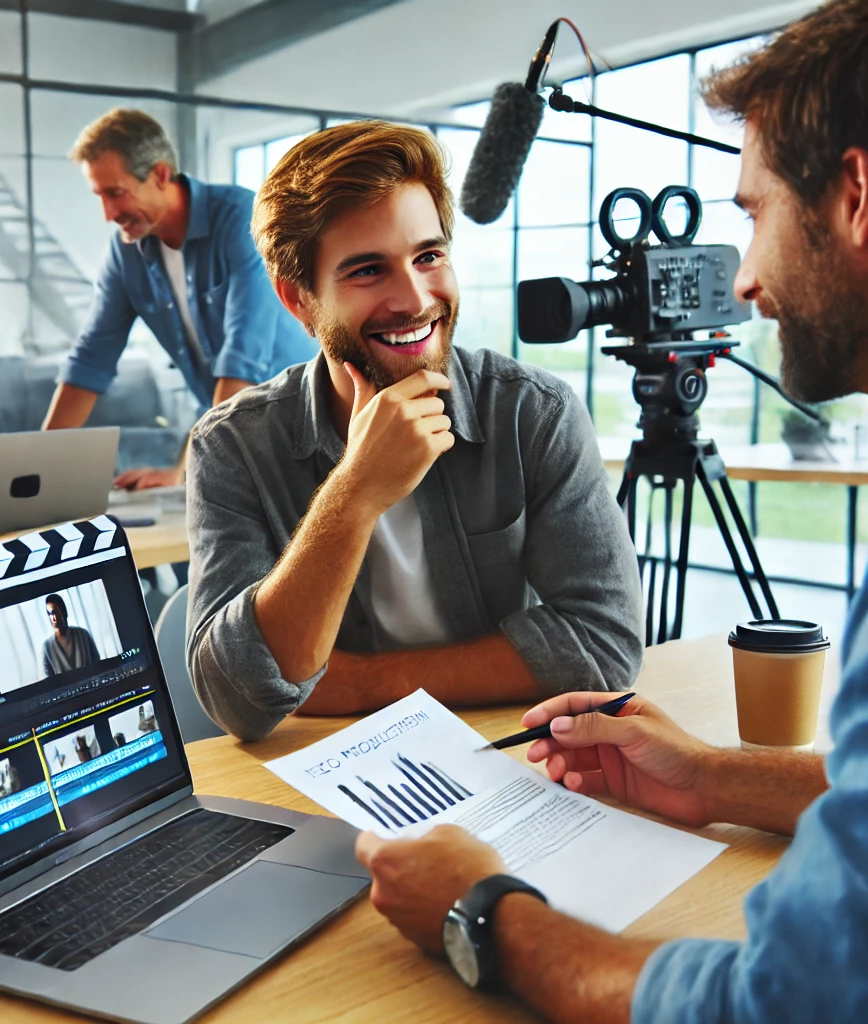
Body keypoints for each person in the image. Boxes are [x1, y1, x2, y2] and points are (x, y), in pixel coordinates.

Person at [354, 3, 868, 1020]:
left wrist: (486, 911)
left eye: (754, 211)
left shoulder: (527, 410)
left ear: (855, 196)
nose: (744, 278)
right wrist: (716, 779)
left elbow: (786, 1004)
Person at [185, 121, 644, 742]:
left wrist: (365, 684)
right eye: (368, 271)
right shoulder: (232, 444)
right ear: (297, 300)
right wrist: (355, 493)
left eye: (428, 256)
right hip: (328, 777)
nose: (414, 298)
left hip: (508, 755)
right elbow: (237, 696)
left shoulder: (533, 413)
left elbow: (602, 647)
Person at [42, 109, 316, 490]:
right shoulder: (127, 253)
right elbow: (91, 358)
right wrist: (35, 471)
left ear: (159, 174)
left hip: (308, 431)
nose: (108, 214)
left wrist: (187, 470)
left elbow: (242, 361)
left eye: (115, 193)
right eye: (99, 196)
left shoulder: (242, 219)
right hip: (235, 437)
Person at [41, 594, 101, 676]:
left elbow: (97, 663)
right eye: (50, 614)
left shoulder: (83, 635)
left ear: (63, 611)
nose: (53, 618)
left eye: (56, 612)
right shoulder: (47, 646)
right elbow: (49, 677)